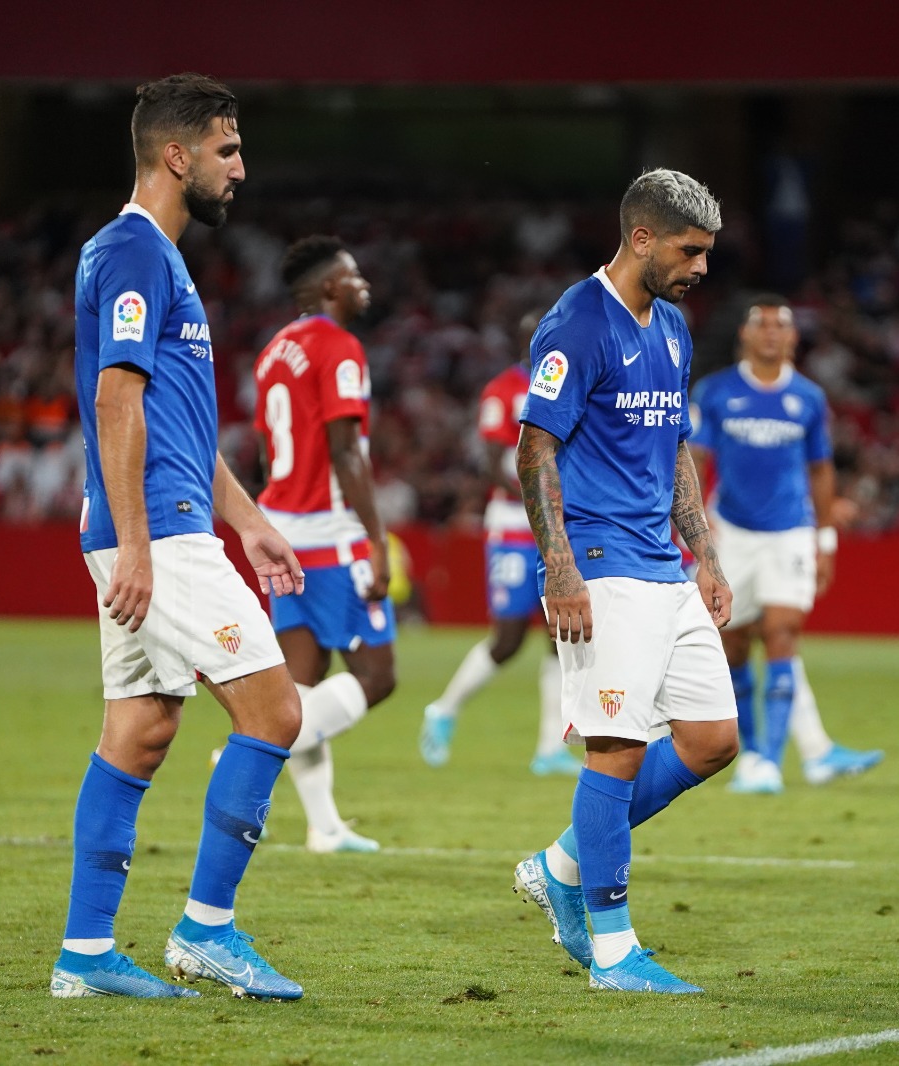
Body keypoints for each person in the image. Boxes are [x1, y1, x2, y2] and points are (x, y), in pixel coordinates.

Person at [54, 73, 307, 1002]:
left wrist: (250, 521)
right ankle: (207, 933)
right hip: (153, 535)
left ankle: (84, 956)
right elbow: (117, 399)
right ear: (176, 154)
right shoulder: (132, 253)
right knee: (276, 713)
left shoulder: (159, 258)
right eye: (227, 150)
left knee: (142, 727)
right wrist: (137, 545)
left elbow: (178, 427)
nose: (240, 169)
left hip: (163, 526)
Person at [511, 168, 739, 995]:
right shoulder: (576, 324)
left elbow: (674, 443)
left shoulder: (673, 327)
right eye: (690, 250)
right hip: (601, 568)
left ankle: (562, 863)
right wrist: (560, 567)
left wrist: (706, 555)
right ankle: (613, 951)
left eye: (707, 252)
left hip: (664, 567)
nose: (702, 266)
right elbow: (535, 449)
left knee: (714, 739)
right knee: (617, 750)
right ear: (641, 237)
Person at [688, 293, 882, 793]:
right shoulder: (715, 393)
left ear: (793, 337)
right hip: (731, 530)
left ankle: (769, 760)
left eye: (781, 325)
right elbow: (696, 463)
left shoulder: (809, 399)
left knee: (781, 631)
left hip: (791, 530)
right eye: (762, 324)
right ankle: (762, 752)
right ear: (745, 334)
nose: (772, 332)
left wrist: (826, 539)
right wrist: (695, 533)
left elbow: (821, 471)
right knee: (731, 642)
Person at [253, 235, 396, 854]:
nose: (364, 283)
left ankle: (324, 826)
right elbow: (345, 452)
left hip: (284, 529)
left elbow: (265, 449)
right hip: (333, 538)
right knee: (377, 676)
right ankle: (254, 750)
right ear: (329, 288)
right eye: (354, 274)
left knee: (304, 682)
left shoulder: (274, 350)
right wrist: (378, 539)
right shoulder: (339, 347)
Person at [419, 312, 578, 776]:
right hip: (512, 523)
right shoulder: (503, 389)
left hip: (558, 523)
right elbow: (490, 463)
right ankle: (444, 708)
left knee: (559, 634)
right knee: (507, 640)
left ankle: (550, 747)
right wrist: (537, 497)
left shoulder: (571, 380)